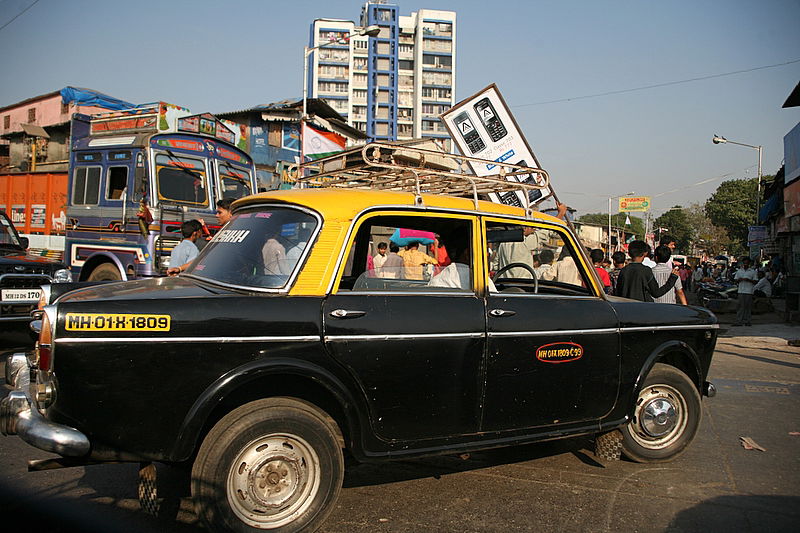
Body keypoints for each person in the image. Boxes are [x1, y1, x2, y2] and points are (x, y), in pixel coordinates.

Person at [733, 256, 757, 326]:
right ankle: (739, 321)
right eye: (744, 263)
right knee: (740, 307)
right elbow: (735, 280)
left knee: (748, 307)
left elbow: (755, 281)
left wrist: (748, 280)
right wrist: (739, 280)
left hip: (749, 291)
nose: (745, 264)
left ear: (749, 264)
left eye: (747, 263)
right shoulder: (739, 271)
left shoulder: (753, 272)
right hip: (741, 291)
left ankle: (747, 321)